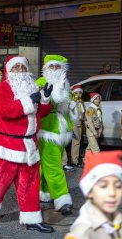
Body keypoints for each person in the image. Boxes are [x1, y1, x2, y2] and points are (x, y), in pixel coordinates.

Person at [0, 56, 54, 233]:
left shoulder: (31, 87)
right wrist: (30, 100)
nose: (20, 71)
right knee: (0, 182)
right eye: (16, 68)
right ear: (9, 71)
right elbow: (6, 111)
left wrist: (44, 99)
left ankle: (31, 218)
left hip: (29, 144)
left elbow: (41, 113)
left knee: (29, 183)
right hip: (8, 145)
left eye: (23, 67)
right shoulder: (2, 89)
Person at [36, 54, 79, 216]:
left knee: (46, 164)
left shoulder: (66, 84)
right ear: (46, 69)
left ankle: (44, 191)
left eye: (58, 67)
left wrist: (73, 108)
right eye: (51, 67)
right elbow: (48, 103)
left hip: (61, 131)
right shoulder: (41, 83)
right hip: (47, 130)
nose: (54, 70)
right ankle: (62, 199)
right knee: (54, 165)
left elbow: (67, 106)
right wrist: (59, 89)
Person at [64, 150, 122, 239]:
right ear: (89, 191)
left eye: (118, 186)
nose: (112, 193)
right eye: (103, 186)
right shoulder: (82, 233)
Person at [68, 85, 85, 168]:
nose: (78, 94)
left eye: (80, 93)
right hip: (74, 124)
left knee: (77, 142)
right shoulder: (72, 102)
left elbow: (82, 113)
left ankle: (75, 159)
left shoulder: (81, 102)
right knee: (75, 142)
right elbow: (70, 109)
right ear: (73, 94)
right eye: (76, 93)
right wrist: (74, 102)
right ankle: (74, 160)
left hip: (79, 123)